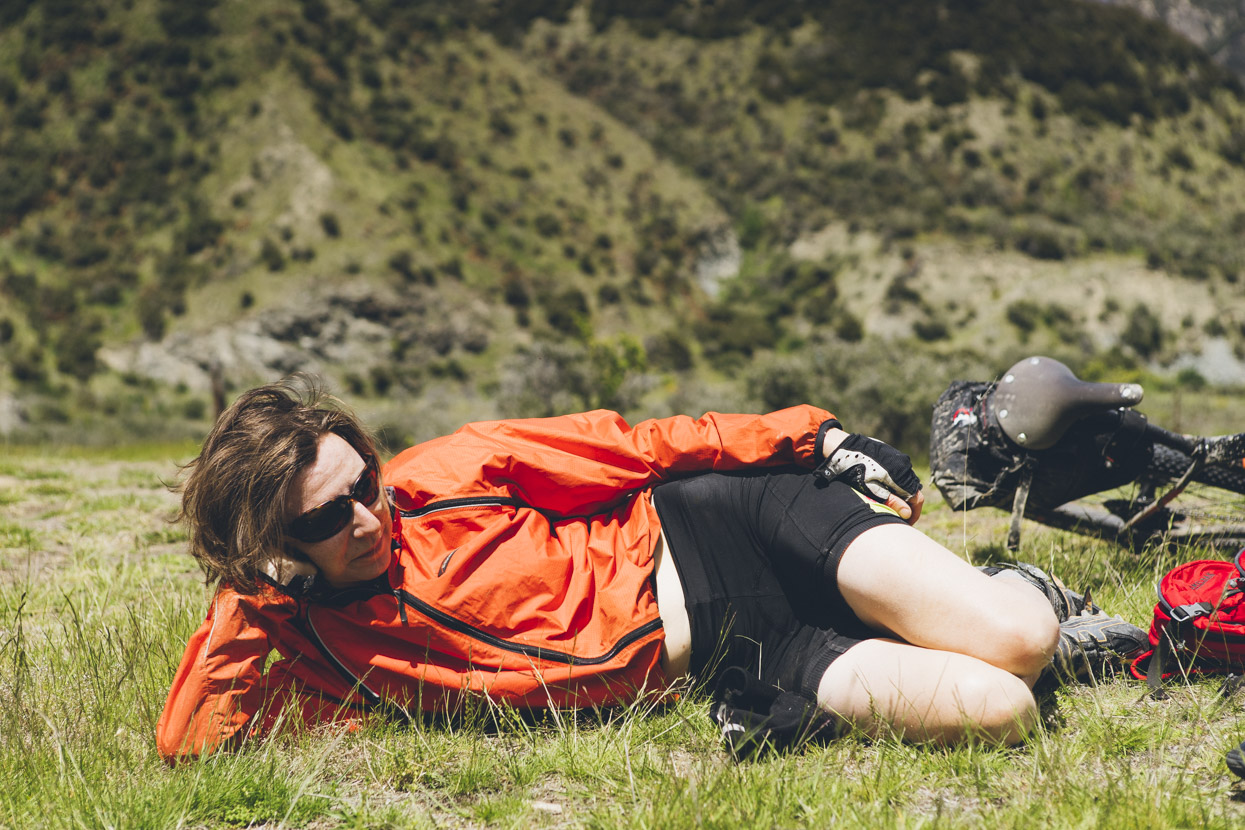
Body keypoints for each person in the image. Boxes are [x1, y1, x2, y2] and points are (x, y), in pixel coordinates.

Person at [156, 376, 1136, 762]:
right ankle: (908, 627)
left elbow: (634, 445)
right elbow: (191, 748)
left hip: (732, 523)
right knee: (1002, 708)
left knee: (1022, 642)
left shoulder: (444, 472)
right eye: (330, 513)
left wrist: (814, 436)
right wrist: (245, 588)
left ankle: (1026, 586)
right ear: (274, 543)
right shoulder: (312, 636)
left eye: (363, 476)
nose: (370, 513)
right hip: (743, 657)